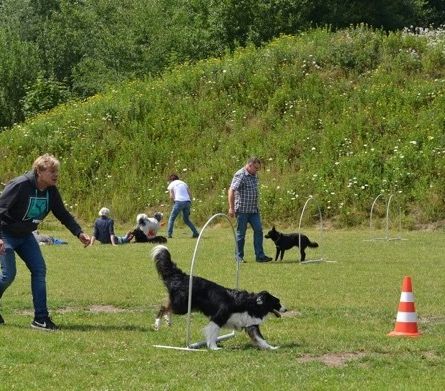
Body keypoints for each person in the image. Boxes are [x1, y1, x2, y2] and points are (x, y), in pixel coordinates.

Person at [0, 154, 91, 330]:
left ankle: (41, 319)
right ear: (39, 172)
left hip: (26, 235)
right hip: (6, 233)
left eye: (57, 171)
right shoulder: (19, 185)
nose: (56, 174)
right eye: (52, 171)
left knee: (39, 270)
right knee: (8, 275)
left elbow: (63, 214)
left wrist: (79, 233)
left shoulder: (51, 191)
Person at [228, 157, 272, 263]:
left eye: (258, 169)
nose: (257, 171)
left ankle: (260, 256)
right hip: (242, 210)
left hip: (253, 210)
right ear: (249, 165)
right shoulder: (240, 175)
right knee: (241, 234)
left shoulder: (254, 175)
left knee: (258, 230)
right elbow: (231, 190)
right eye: (256, 168)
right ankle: (239, 257)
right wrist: (231, 208)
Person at [166, 174, 199, 238]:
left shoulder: (172, 184)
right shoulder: (183, 183)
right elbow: (189, 193)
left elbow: (171, 196)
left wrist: (174, 203)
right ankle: (196, 233)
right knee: (186, 220)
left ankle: (169, 235)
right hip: (188, 202)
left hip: (179, 202)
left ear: (171, 180)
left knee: (171, 219)